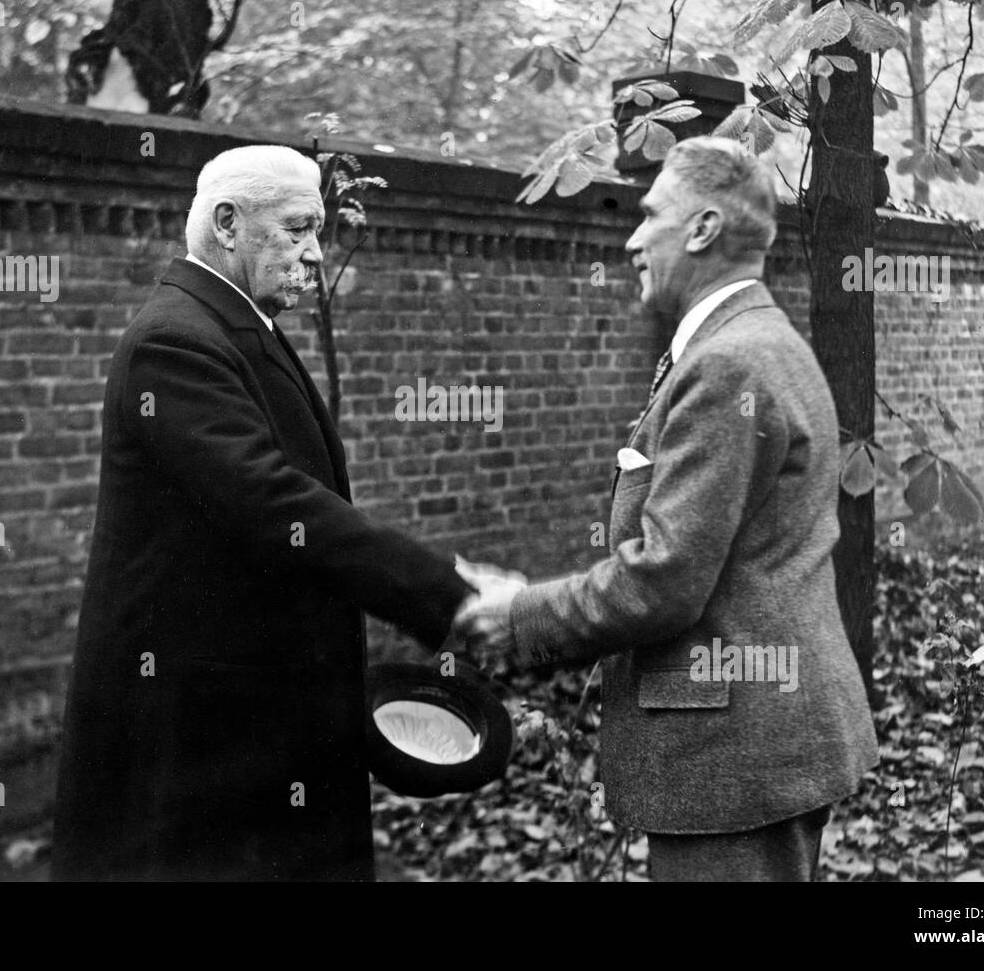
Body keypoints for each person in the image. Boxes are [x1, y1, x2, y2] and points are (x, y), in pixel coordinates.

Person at [457, 137, 879, 882]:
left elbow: (664, 581)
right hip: (756, 742)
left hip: (737, 758)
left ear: (704, 228)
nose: (631, 238)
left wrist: (517, 612)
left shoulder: (727, 364)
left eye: (650, 214)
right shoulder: (758, 343)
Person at [52, 145, 473, 881]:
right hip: (202, 734)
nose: (316, 253)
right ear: (227, 223)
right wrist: (447, 590)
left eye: (318, 232)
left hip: (249, 719)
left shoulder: (229, 322)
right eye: (299, 229)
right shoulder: (175, 342)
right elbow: (273, 502)